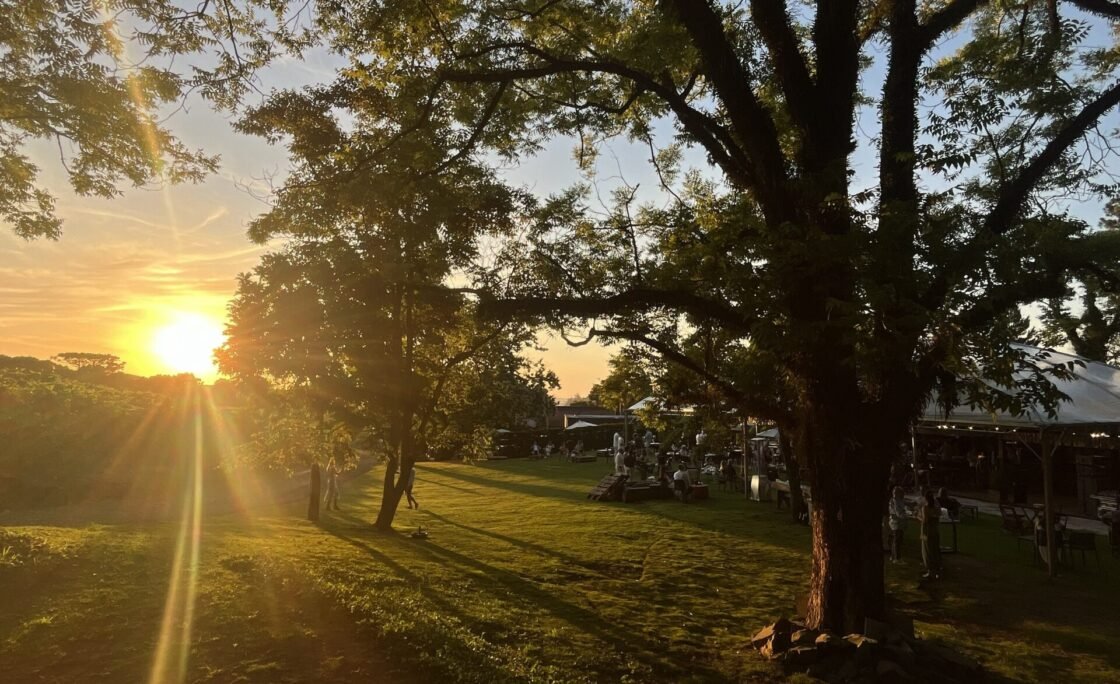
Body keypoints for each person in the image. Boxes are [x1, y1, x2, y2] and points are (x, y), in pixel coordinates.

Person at [918, 489, 942, 579]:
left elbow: (925, 520)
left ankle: (930, 571)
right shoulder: (936, 508)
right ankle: (937, 570)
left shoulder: (925, 508)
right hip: (935, 530)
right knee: (935, 550)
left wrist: (918, 517)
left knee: (927, 551)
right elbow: (938, 516)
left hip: (927, 531)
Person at [888, 486, 908, 563]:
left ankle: (893, 556)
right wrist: (905, 515)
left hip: (897, 522)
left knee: (896, 540)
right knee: (897, 540)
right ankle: (897, 558)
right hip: (896, 522)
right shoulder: (895, 500)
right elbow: (898, 512)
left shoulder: (897, 500)